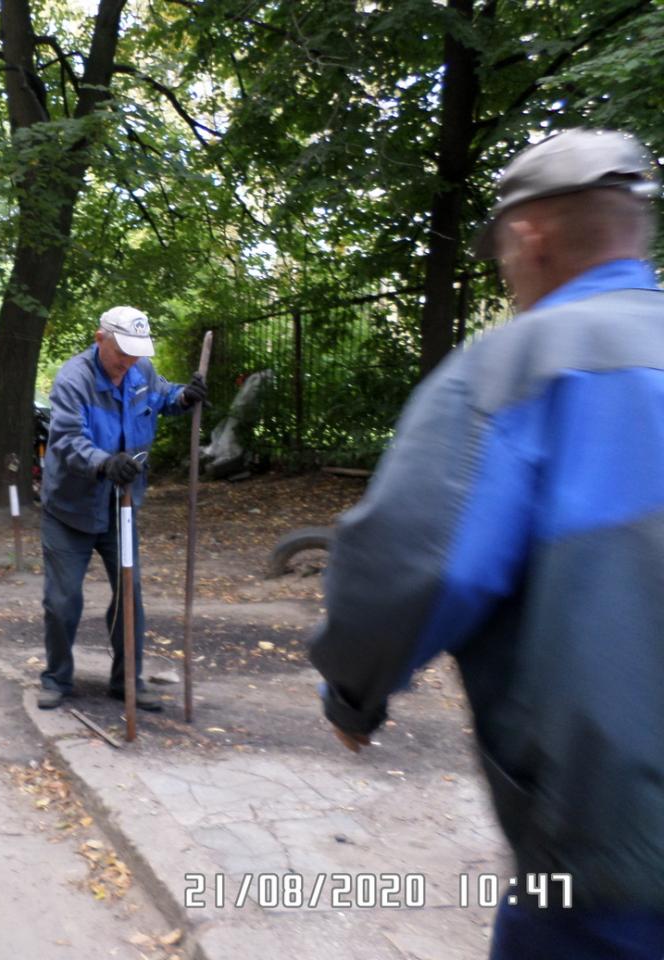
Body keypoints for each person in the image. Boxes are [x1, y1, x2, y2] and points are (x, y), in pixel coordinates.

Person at [309, 127, 664, 959]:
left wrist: (353, 696)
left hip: (609, 845)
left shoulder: (510, 370)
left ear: (529, 235)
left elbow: (416, 563)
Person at [37, 306, 206, 711]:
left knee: (130, 597)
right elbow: (66, 438)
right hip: (69, 510)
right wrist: (103, 462)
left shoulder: (140, 372)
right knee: (63, 601)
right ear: (100, 339)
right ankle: (57, 678)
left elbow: (164, 397)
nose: (128, 362)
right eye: (122, 353)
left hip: (121, 508)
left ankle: (127, 681)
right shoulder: (73, 379)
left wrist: (184, 396)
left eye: (135, 354)